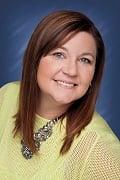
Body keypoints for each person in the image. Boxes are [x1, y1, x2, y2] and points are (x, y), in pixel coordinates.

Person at [0, 10, 120, 180]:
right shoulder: (7, 95)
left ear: (94, 73)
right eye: (59, 55)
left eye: (85, 60)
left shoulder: (97, 145)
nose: (71, 71)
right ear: (35, 60)